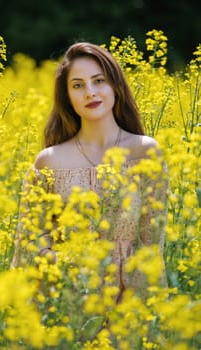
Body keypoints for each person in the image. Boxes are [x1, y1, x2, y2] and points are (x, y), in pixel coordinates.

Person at [12, 42, 168, 301]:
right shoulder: (49, 162)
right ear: (67, 96)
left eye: (99, 81)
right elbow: (29, 244)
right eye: (78, 85)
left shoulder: (145, 153)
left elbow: (152, 244)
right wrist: (70, 264)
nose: (90, 92)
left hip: (129, 309)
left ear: (115, 86)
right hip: (68, 305)